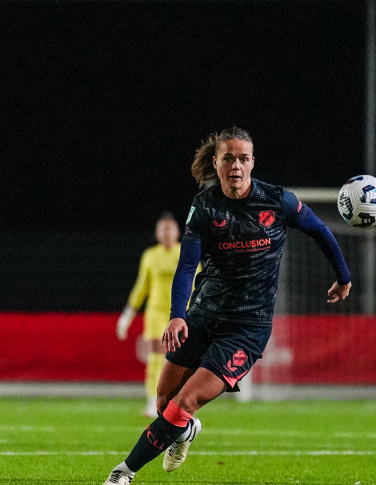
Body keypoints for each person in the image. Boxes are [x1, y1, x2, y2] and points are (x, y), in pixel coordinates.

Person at [103, 126, 352, 484]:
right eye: (228, 158)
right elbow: (187, 265)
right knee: (164, 401)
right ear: (217, 163)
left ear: (252, 162)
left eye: (243, 158)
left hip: (247, 328)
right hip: (204, 315)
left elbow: (320, 231)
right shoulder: (205, 206)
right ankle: (186, 431)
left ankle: (123, 473)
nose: (236, 165)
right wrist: (178, 316)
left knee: (185, 402)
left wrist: (343, 277)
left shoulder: (278, 200)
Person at [117, 211, 184, 418]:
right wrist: (128, 314)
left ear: (177, 232)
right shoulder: (150, 256)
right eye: (162, 229)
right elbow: (142, 286)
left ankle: (176, 401)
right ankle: (153, 400)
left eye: (169, 229)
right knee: (156, 356)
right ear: (157, 233)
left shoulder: (186, 253)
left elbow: (197, 283)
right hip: (156, 312)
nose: (166, 233)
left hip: (180, 314)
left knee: (178, 359)